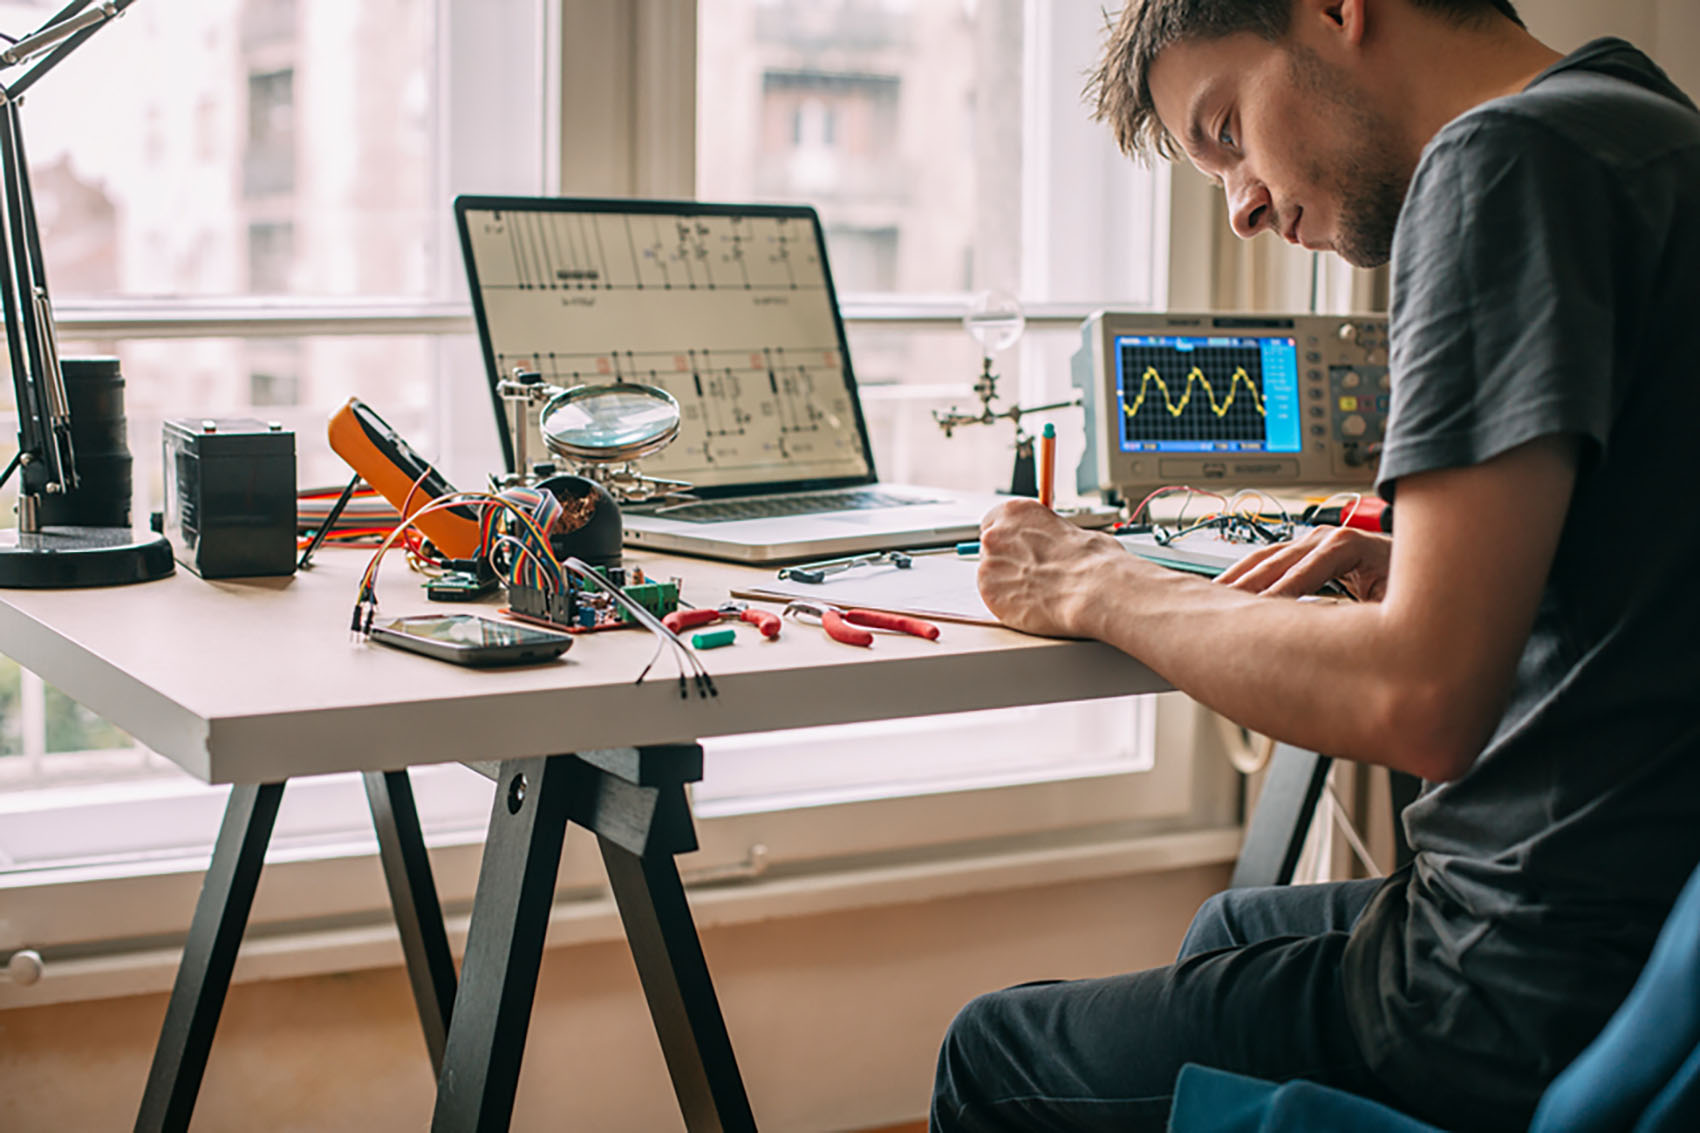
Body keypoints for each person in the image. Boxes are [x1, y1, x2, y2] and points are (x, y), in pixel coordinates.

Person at [930, 1, 1700, 1130]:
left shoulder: (1500, 162)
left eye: (1227, 127)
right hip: (1640, 909)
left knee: (988, 1050)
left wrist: (1097, 582)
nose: (1239, 206)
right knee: (1229, 929)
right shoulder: (1645, 126)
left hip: (1510, 981)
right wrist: (1431, 565)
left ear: (1336, 11)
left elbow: (1416, 699)